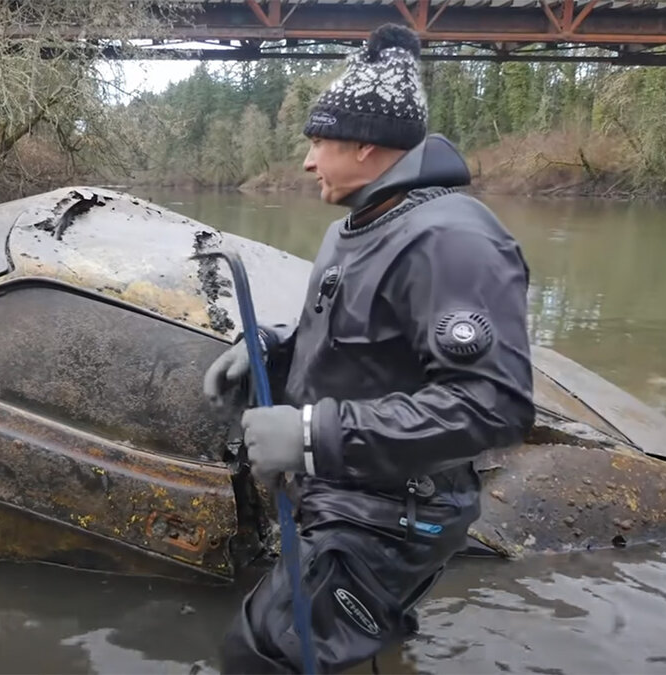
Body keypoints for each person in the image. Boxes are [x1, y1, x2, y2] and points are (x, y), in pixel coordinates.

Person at [202, 23, 535, 674]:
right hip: (345, 492)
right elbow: (357, 344)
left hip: (395, 511)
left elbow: (494, 407)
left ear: (363, 144)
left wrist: (309, 433)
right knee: (334, 647)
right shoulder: (352, 230)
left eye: (317, 141)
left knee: (261, 654)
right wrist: (270, 351)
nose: (306, 161)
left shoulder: (450, 240)